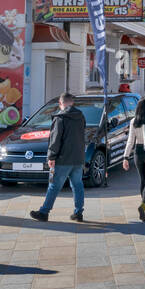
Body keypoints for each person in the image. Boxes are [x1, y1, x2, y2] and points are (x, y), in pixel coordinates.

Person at [30, 92, 87, 223]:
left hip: (63, 158)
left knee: (54, 186)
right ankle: (78, 213)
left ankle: (44, 212)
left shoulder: (60, 117)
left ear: (60, 103)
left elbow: (55, 140)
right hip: (78, 158)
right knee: (77, 185)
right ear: (72, 103)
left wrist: (51, 156)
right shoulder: (80, 116)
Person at [122, 96, 145, 221]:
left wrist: (125, 157)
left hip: (138, 151)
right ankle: (143, 204)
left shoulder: (134, 121)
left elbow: (130, 141)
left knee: (142, 179)